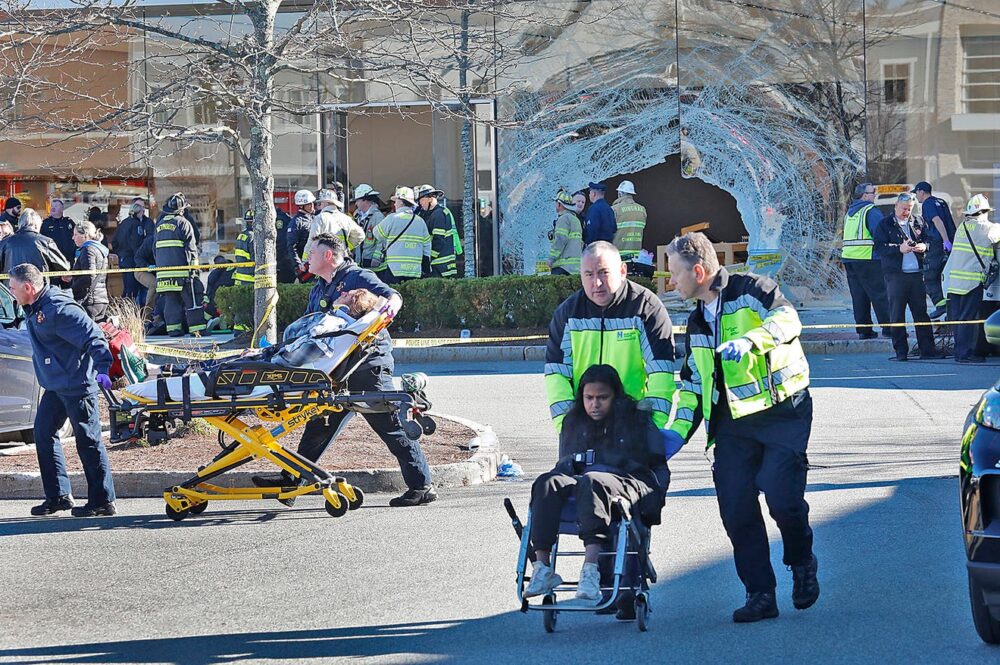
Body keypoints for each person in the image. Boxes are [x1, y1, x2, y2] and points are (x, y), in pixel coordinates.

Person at [665, 231, 818, 623]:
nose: (671, 282)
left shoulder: (752, 289)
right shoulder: (697, 322)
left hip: (783, 411)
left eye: (675, 274)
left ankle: (801, 560)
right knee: (736, 508)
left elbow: (787, 319)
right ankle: (760, 594)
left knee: (783, 498)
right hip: (732, 423)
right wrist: (674, 436)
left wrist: (754, 341)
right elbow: (695, 387)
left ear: (698, 271)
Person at [252, 234, 436, 507]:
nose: (307, 258)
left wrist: (387, 311)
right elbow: (309, 327)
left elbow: (392, 297)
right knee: (319, 424)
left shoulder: (357, 278)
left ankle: (422, 487)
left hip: (366, 366)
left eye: (311, 253)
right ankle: (293, 480)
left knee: (389, 426)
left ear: (328, 255)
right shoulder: (319, 288)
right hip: (335, 370)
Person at [526, 364, 668, 603]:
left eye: (602, 397)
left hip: (629, 482)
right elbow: (564, 463)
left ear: (616, 396)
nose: (595, 404)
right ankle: (542, 568)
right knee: (546, 483)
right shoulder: (573, 422)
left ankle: (590, 570)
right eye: (589, 398)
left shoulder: (636, 421)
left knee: (593, 481)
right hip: (584, 481)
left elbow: (654, 468)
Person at [9, 263, 117, 517]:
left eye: (13, 287)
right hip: (56, 386)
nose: (10, 292)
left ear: (28, 287)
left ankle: (103, 501)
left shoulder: (59, 309)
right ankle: (58, 496)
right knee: (43, 433)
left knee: (88, 441)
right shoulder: (33, 306)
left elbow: (94, 336)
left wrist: (103, 368)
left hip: (78, 385)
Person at [545, 241, 675, 434]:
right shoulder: (567, 313)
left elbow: (661, 376)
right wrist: (568, 428)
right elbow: (557, 377)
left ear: (622, 271)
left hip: (633, 427)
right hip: (582, 428)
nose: (596, 283)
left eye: (604, 272)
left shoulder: (646, 308)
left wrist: (650, 430)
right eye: (588, 274)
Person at [872, 193, 942, 361]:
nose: (906, 212)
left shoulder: (917, 221)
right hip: (896, 276)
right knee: (897, 314)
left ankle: (927, 350)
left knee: (921, 314)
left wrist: (924, 246)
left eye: (909, 209)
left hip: (916, 275)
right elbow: (879, 248)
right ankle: (901, 352)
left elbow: (931, 239)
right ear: (896, 205)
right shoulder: (885, 224)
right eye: (903, 209)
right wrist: (899, 249)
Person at [943, 194, 1000, 364]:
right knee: (968, 320)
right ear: (983, 212)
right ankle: (965, 354)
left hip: (955, 283)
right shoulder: (991, 228)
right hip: (972, 282)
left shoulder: (963, 227)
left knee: (959, 319)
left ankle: (959, 352)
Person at [841, 183, 892, 340]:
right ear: (864, 196)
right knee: (880, 294)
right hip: (868, 258)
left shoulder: (850, 212)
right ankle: (889, 328)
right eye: (872, 192)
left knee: (859, 296)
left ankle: (864, 330)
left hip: (850, 259)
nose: (874, 195)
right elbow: (881, 232)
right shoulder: (870, 210)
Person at [153, 193, 203, 337]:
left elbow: (154, 249)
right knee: (192, 299)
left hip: (164, 273)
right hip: (182, 272)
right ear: (181, 210)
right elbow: (191, 249)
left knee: (171, 301)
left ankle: (173, 330)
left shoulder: (159, 225)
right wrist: (194, 271)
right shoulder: (183, 223)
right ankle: (197, 330)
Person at [912, 182, 956, 319]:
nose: (916, 196)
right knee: (947, 278)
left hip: (937, 245)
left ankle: (941, 305)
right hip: (947, 245)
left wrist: (944, 240)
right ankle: (951, 310)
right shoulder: (941, 202)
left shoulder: (928, 204)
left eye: (916, 193)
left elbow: (937, 221)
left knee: (930, 277)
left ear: (922, 191)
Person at [371, 186, 431, 284]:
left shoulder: (392, 218)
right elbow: (427, 247)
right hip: (414, 270)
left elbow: (376, 234)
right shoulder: (420, 221)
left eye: (396, 200)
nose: (394, 204)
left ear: (401, 201)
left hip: (394, 269)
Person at [0, 208, 71, 278]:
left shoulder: (5, 243)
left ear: (20, 224)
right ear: (37, 225)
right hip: (37, 287)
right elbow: (64, 266)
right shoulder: (45, 242)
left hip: (10, 288)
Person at [66, 221, 110, 322]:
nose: (73, 237)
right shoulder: (99, 249)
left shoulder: (88, 250)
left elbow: (89, 277)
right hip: (100, 298)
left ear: (85, 235)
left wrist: (71, 290)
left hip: (90, 301)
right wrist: (73, 277)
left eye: (76, 234)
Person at [113, 199, 154, 305]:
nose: (143, 210)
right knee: (133, 291)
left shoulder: (125, 223)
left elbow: (114, 242)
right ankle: (134, 315)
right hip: (133, 260)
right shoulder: (135, 224)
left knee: (129, 289)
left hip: (126, 260)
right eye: (141, 207)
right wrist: (141, 258)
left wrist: (121, 254)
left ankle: (127, 313)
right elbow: (136, 244)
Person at [415, 184, 460, 278]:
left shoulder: (438, 214)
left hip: (439, 265)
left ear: (430, 199)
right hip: (441, 265)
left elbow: (438, 240)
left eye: (422, 200)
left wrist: (428, 258)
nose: (420, 203)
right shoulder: (433, 213)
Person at [308, 188, 364, 258]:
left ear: (326, 203)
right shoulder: (346, 218)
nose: (320, 206)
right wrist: (346, 247)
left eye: (320, 203)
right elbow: (360, 235)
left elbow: (312, 240)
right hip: (342, 257)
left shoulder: (320, 218)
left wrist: (305, 260)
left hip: (325, 258)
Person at [548, 190, 583, 275]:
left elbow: (560, 240)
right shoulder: (575, 219)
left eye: (556, 203)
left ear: (559, 204)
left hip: (562, 267)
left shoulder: (563, 219)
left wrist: (551, 258)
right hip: (574, 268)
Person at [610, 180, 646, 264]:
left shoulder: (614, 209)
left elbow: (609, 231)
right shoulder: (642, 210)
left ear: (620, 193)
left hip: (618, 255)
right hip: (636, 256)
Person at [352, 184, 385, 267]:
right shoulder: (357, 216)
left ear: (365, 200)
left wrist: (376, 258)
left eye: (358, 200)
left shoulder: (378, 217)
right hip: (359, 260)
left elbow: (382, 240)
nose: (356, 203)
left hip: (371, 261)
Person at [41, 199, 77, 267]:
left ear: (62, 209)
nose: (53, 208)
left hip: (68, 259)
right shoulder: (45, 223)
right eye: (52, 206)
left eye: (56, 206)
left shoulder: (69, 222)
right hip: (52, 260)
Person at [233, 209, 256, 287]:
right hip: (250, 278)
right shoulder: (252, 236)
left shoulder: (241, 235)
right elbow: (255, 258)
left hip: (240, 276)